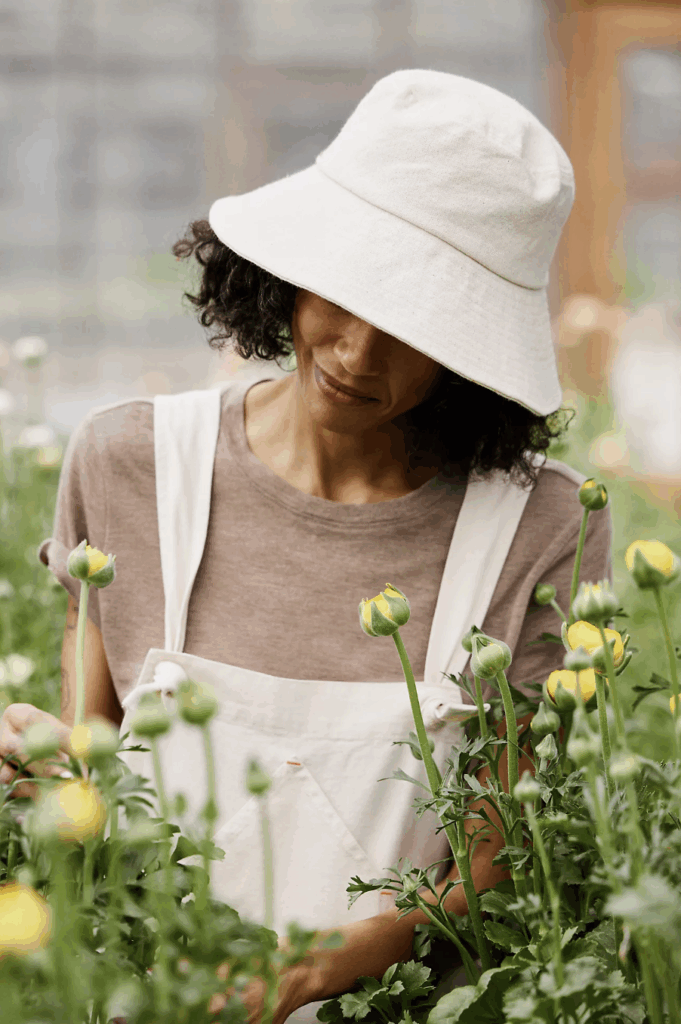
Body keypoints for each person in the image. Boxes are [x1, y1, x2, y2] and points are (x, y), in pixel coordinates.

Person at [0, 70, 612, 1023]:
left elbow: (497, 869)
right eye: (344, 294)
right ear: (287, 270)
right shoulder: (131, 464)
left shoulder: (538, 529)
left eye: (416, 327)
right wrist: (44, 766)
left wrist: (319, 966)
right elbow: (97, 767)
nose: (358, 355)